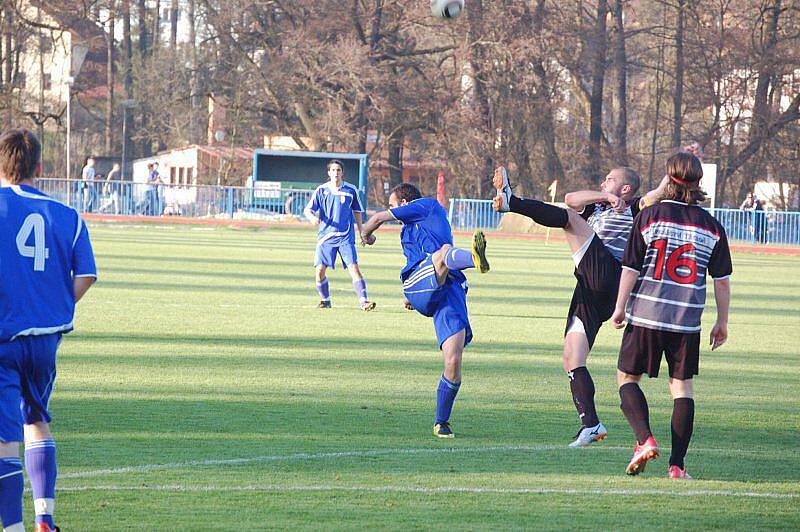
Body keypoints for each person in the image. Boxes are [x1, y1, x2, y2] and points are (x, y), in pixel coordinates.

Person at [493, 166, 667, 447]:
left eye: (610, 180)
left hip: (610, 274)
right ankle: (591, 425)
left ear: (625, 189)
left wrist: (672, 173)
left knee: (569, 219)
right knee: (572, 358)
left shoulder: (635, 207)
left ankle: (512, 202)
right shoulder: (596, 207)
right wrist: (604, 196)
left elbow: (657, 194)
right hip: (589, 287)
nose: (603, 181)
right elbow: (571, 197)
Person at [611, 152, 732, 479]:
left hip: (647, 313)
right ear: (698, 182)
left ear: (669, 178)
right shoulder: (713, 226)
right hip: (686, 320)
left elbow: (630, 267)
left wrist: (620, 306)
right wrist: (722, 322)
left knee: (627, 378)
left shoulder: (650, 216)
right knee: (682, 388)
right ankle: (677, 466)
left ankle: (644, 439)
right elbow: (721, 280)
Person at [0, 129, 97, 531]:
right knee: (37, 419)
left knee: (5, 439)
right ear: (39, 167)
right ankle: (45, 518)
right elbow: (86, 274)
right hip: (44, 341)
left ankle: (12, 527)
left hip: (3, 340)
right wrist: (52, 306)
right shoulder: (67, 215)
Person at [361, 183, 490, 438]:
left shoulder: (427, 206)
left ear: (406, 203)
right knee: (443, 254)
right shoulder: (412, 228)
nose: (391, 211)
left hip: (447, 289)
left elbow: (375, 218)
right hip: (421, 282)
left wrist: (366, 234)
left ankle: (442, 422)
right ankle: (473, 259)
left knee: (453, 359)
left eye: (393, 205)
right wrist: (416, 295)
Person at [304, 159, 375, 311]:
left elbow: (357, 210)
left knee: (354, 268)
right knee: (320, 272)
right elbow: (307, 210)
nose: (336, 173)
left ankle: (364, 302)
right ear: (329, 173)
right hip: (326, 237)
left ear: (342, 173)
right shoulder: (321, 190)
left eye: (338, 170)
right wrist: (312, 218)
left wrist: (362, 230)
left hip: (345, 237)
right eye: (333, 170)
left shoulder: (350, 190)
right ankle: (325, 300)